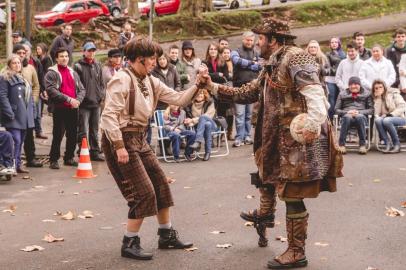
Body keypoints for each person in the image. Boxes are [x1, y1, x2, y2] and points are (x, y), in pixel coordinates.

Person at [202, 18, 343, 269]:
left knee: (293, 195)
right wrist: (211, 85)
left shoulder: (296, 57)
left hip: (296, 143)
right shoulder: (272, 62)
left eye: (261, 39)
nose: (258, 43)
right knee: (272, 180)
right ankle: (268, 218)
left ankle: (296, 252)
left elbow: (315, 93)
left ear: (274, 40)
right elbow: (247, 92)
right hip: (276, 141)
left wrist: (311, 125)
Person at [100, 38, 198, 261]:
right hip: (120, 139)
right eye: (151, 58)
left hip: (139, 138)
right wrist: (118, 146)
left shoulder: (151, 81)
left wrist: (198, 84)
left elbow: (179, 99)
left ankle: (166, 235)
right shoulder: (121, 79)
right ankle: (129, 242)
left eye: (156, 57)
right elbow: (108, 117)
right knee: (143, 193)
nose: (156, 61)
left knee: (161, 185)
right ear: (138, 59)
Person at [45, 47, 86, 169]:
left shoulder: (73, 72)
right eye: (61, 56)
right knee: (58, 135)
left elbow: (82, 89)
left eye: (66, 56)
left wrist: (78, 100)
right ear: (56, 58)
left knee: (73, 134)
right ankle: (53, 160)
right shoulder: (51, 73)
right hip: (59, 108)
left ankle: (69, 157)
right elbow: (51, 90)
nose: (64, 58)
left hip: (73, 108)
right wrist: (69, 99)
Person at [0, 54, 35, 174]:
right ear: (9, 65)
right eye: (14, 63)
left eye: (19, 63)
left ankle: (18, 164)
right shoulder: (5, 77)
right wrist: (9, 112)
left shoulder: (23, 78)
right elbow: (2, 97)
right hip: (13, 115)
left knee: (21, 141)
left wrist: (32, 115)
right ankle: (11, 165)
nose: (17, 65)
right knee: (16, 140)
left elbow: (29, 99)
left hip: (24, 116)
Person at [74, 41, 105, 161]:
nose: (91, 53)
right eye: (89, 50)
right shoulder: (78, 66)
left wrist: (101, 95)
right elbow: (76, 85)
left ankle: (95, 152)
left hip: (96, 103)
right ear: (84, 52)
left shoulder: (98, 64)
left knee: (95, 129)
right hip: (84, 104)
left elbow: (102, 83)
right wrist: (81, 99)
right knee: (83, 130)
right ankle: (83, 151)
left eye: (93, 51)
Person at [13, 44, 43, 168]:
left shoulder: (30, 68)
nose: (21, 55)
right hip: (16, 108)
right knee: (16, 136)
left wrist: (34, 99)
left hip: (29, 106)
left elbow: (36, 85)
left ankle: (31, 158)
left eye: (23, 53)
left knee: (29, 133)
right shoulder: (9, 70)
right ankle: (15, 161)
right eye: (19, 53)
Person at [231, 31, 261, 147]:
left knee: (248, 115)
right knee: (239, 114)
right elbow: (236, 61)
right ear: (243, 40)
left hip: (252, 89)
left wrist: (248, 64)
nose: (249, 42)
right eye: (247, 40)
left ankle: (247, 136)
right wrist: (251, 63)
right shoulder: (236, 51)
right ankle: (239, 137)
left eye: (251, 40)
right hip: (239, 88)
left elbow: (260, 65)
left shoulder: (256, 52)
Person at [335, 76, 373, 154]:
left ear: (360, 85)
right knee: (347, 117)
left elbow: (371, 110)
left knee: (359, 117)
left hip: (361, 116)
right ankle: (342, 145)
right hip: (346, 116)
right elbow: (336, 109)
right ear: (348, 85)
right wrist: (346, 112)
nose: (353, 86)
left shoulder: (367, 94)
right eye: (351, 84)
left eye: (355, 84)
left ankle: (362, 145)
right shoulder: (342, 94)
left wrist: (359, 112)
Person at [373, 80, 406, 153]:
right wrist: (378, 98)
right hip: (385, 119)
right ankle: (388, 144)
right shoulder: (377, 97)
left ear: (384, 87)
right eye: (376, 88)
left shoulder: (394, 94)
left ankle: (397, 144)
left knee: (387, 120)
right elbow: (376, 113)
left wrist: (391, 115)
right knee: (378, 120)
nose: (378, 89)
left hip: (400, 118)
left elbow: (402, 106)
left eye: (380, 87)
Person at [186, 89, 217, 161]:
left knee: (204, 118)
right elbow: (189, 120)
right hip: (199, 127)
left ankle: (198, 141)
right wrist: (191, 121)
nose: (199, 95)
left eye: (201, 94)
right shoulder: (190, 105)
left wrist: (193, 120)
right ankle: (207, 152)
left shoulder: (210, 102)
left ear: (204, 95)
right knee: (207, 125)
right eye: (198, 94)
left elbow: (209, 116)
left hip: (213, 125)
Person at [325, 37, 346, 119]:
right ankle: (331, 118)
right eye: (332, 42)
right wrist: (337, 70)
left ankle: (340, 117)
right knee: (331, 99)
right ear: (330, 44)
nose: (334, 44)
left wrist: (337, 69)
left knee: (340, 98)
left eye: (335, 42)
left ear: (339, 43)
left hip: (340, 80)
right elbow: (328, 68)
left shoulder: (343, 54)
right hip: (331, 80)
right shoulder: (327, 54)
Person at [221, 47, 234, 140]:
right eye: (224, 53)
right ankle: (222, 133)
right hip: (222, 90)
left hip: (231, 90)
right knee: (222, 113)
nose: (226, 54)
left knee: (230, 113)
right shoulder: (220, 63)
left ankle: (229, 132)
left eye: (228, 52)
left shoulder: (233, 64)